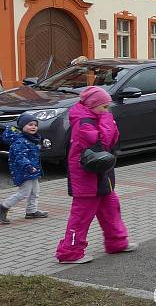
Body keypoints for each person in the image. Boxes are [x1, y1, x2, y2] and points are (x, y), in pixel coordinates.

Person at [54, 86, 132, 264]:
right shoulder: (84, 121)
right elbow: (102, 143)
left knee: (111, 208)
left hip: (101, 175)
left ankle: (117, 242)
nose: (107, 110)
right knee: (81, 216)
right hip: (87, 177)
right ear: (92, 105)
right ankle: (69, 252)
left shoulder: (95, 116)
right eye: (104, 107)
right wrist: (107, 120)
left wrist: (106, 119)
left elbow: (113, 140)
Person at [0, 113, 48, 224]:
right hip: (24, 171)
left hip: (33, 170)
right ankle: (3, 206)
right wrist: (28, 167)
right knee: (24, 192)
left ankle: (31, 211)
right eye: (30, 125)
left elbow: (33, 152)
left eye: (35, 125)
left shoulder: (31, 139)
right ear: (22, 127)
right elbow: (20, 157)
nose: (33, 127)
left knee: (35, 191)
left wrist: (43, 147)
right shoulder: (20, 141)